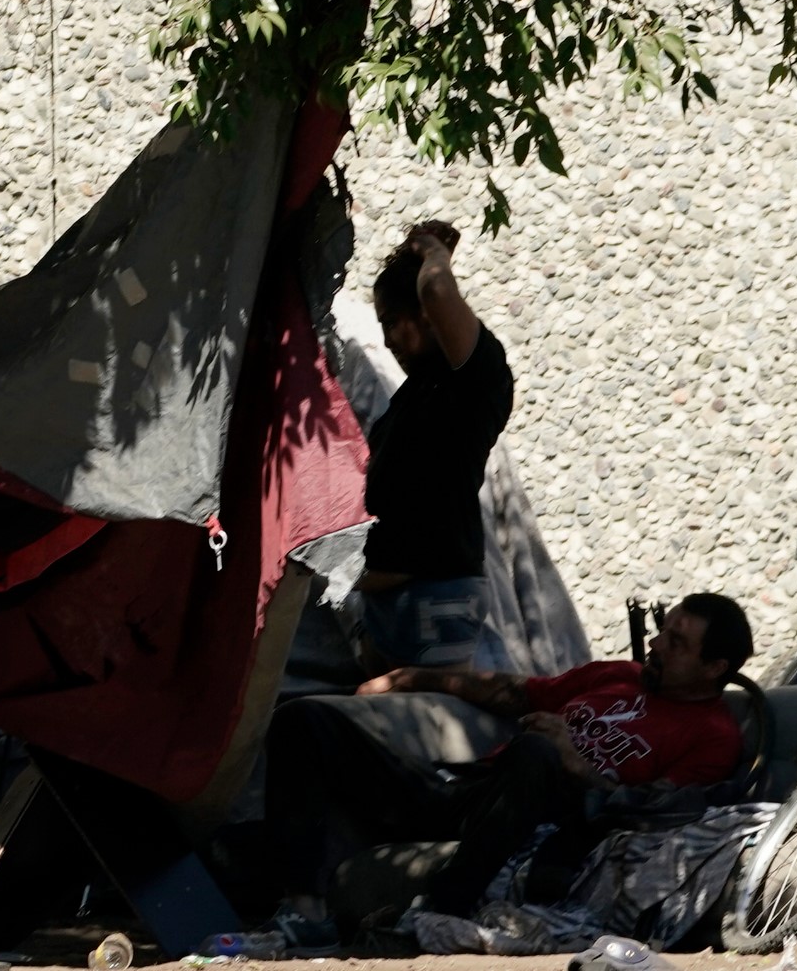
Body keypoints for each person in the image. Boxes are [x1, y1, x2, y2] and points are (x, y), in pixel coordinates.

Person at [257, 593, 755, 954]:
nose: (657, 645)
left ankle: (437, 910)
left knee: (535, 751)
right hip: (476, 793)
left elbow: (651, 813)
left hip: (551, 822)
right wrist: (413, 677)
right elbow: (517, 693)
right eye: (663, 631)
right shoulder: (619, 676)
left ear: (716, 667)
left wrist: (573, 762)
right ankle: (308, 913)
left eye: (677, 643)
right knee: (305, 720)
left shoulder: (714, 735)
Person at [352, 219, 516, 673]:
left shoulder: (477, 380)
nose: (386, 340)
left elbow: (440, 293)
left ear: (424, 314)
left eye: (391, 322)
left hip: (432, 596)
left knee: (409, 725)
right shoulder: (419, 392)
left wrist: (435, 253)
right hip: (396, 596)